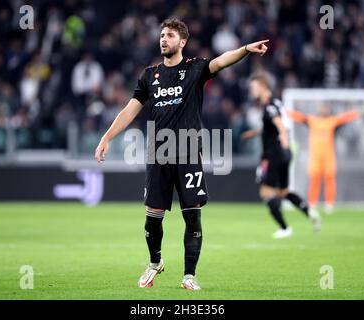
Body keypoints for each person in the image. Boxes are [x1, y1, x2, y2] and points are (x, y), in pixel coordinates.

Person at [94, 18, 269, 290]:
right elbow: (129, 110)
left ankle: (189, 275)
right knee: (152, 214)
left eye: (170, 36)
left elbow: (222, 61)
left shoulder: (195, 69)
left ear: (182, 42)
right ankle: (155, 262)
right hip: (159, 155)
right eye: (162, 35)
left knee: (192, 215)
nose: (164, 39)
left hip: (188, 153)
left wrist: (245, 48)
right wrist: (106, 137)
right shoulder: (148, 75)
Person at [243, 74, 321, 239]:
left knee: (266, 192)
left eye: (253, 87)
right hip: (284, 154)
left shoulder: (269, 105)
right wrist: (257, 133)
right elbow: (275, 124)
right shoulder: (277, 103)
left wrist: (284, 138)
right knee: (283, 192)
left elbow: (279, 124)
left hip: (273, 155)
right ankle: (309, 211)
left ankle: (285, 228)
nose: (251, 90)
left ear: (263, 86)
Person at [286, 103, 360, 213]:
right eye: (321, 108)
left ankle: (329, 204)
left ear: (328, 110)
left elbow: (344, 119)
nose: (323, 110)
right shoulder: (312, 121)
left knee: (329, 179)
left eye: (325, 108)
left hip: (328, 156)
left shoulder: (332, 121)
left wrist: (356, 113)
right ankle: (312, 203)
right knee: (314, 180)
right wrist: (287, 112)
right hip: (315, 156)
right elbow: (301, 118)